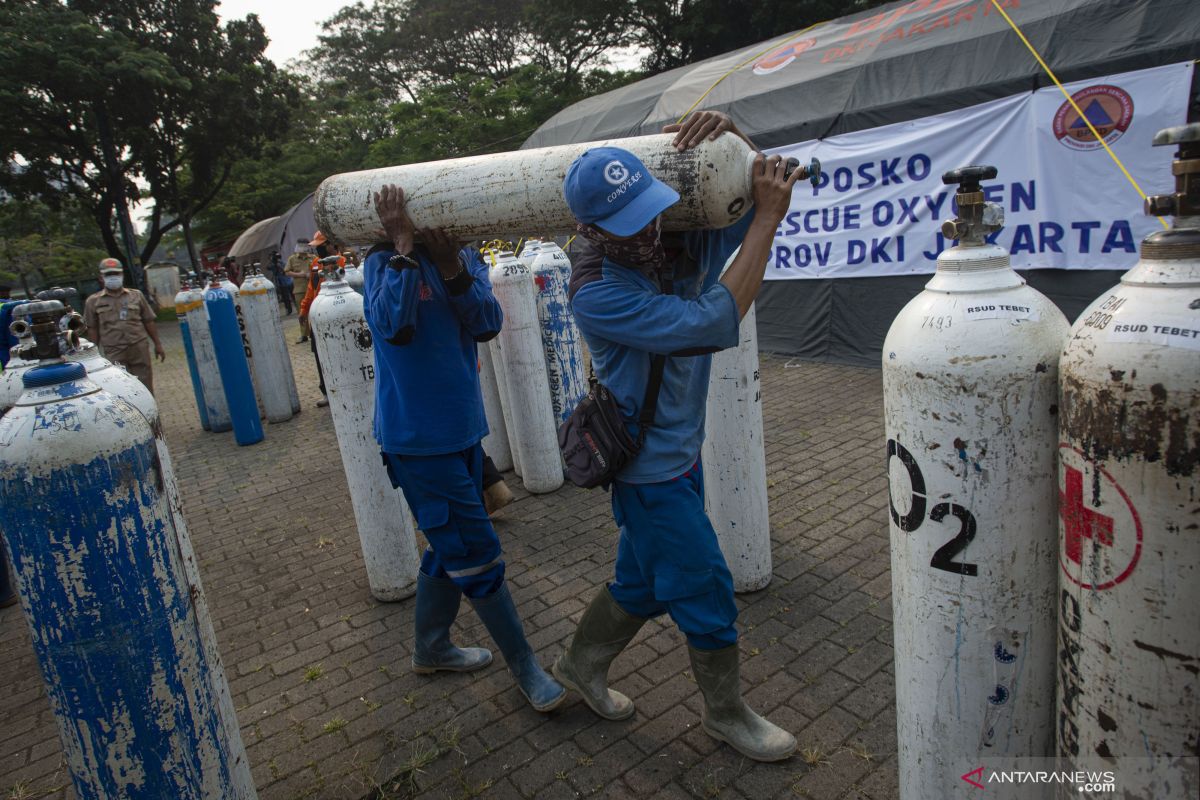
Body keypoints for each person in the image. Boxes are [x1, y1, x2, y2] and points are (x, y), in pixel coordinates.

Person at [552, 111, 803, 761]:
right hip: (647, 474)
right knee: (706, 588)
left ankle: (580, 667)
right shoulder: (598, 292)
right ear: (592, 229)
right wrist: (769, 223)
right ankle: (727, 716)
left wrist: (738, 136)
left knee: (639, 582)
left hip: (676, 459)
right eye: (629, 218)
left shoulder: (671, 237)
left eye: (649, 206)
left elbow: (748, 202)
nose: (649, 225)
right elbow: (715, 318)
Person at [364, 185, 565, 712]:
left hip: (463, 433)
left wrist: (452, 265)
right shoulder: (380, 262)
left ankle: (430, 647)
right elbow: (392, 327)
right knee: (475, 554)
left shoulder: (465, 255)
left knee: (448, 543)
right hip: (418, 441)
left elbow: (488, 323)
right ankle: (526, 666)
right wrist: (404, 251)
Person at [84, 257, 166, 394]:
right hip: (114, 350)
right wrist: (94, 354)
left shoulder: (136, 296)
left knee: (145, 385)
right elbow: (92, 328)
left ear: (122, 275)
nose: (113, 277)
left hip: (138, 347)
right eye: (108, 274)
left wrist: (158, 344)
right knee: (121, 388)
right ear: (101, 277)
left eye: (116, 274)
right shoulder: (93, 301)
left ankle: (150, 413)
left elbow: (148, 320)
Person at [299, 232, 342, 408]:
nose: (319, 249)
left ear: (332, 244)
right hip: (318, 317)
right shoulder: (316, 264)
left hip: (338, 316)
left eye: (321, 245)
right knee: (320, 356)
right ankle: (326, 390)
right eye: (317, 245)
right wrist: (304, 310)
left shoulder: (343, 262)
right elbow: (311, 288)